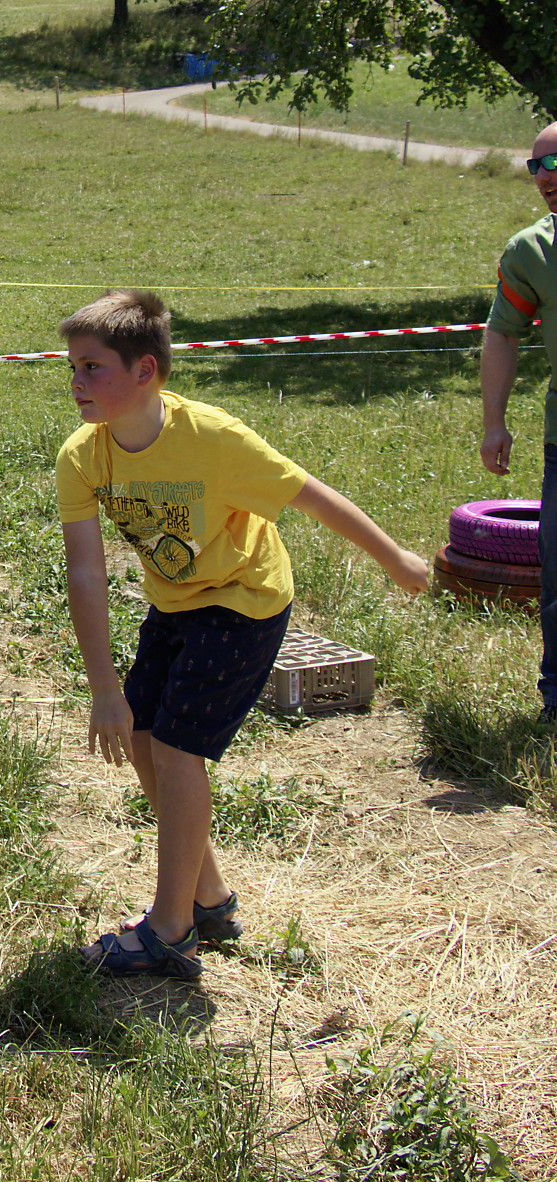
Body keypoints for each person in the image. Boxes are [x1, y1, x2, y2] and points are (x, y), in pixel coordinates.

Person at [57, 289, 429, 979]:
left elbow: (310, 495)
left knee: (176, 751)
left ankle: (169, 931)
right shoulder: (83, 455)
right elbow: (86, 571)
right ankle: (209, 899)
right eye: (72, 368)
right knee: (142, 736)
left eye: (92, 367)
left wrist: (394, 559)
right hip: (174, 601)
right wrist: (104, 688)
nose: (75, 382)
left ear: (145, 370)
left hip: (243, 601)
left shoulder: (214, 439)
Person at [480, 123, 557, 722]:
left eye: (554, 163)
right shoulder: (530, 251)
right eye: (536, 166)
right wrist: (494, 422)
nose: (545, 177)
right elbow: (503, 334)